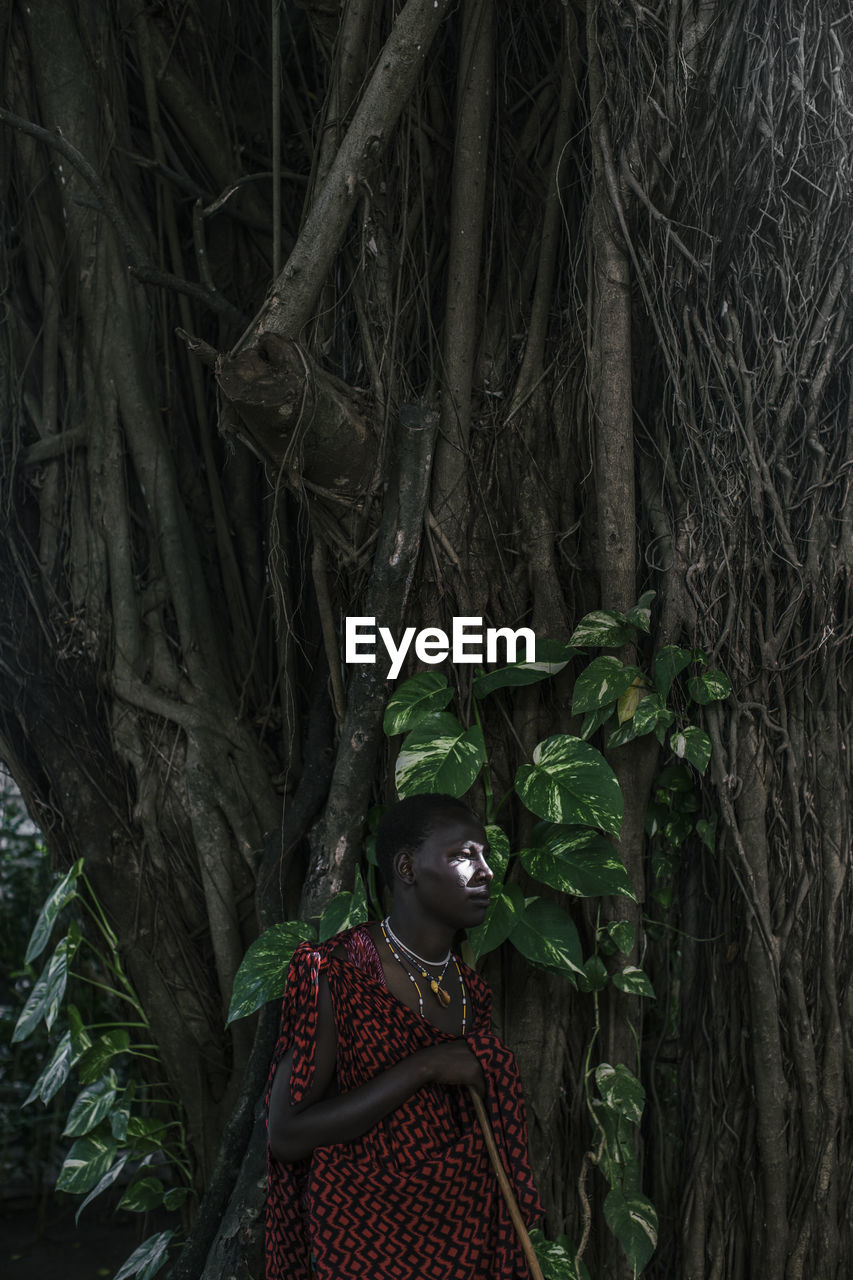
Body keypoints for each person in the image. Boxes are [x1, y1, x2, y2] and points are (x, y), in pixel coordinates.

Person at [265, 793, 542, 1280]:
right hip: (363, 1244)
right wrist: (426, 1066)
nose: (485, 872)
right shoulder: (342, 972)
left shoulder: (471, 992)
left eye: (484, 856)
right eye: (461, 856)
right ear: (407, 868)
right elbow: (286, 1134)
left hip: (463, 1243)